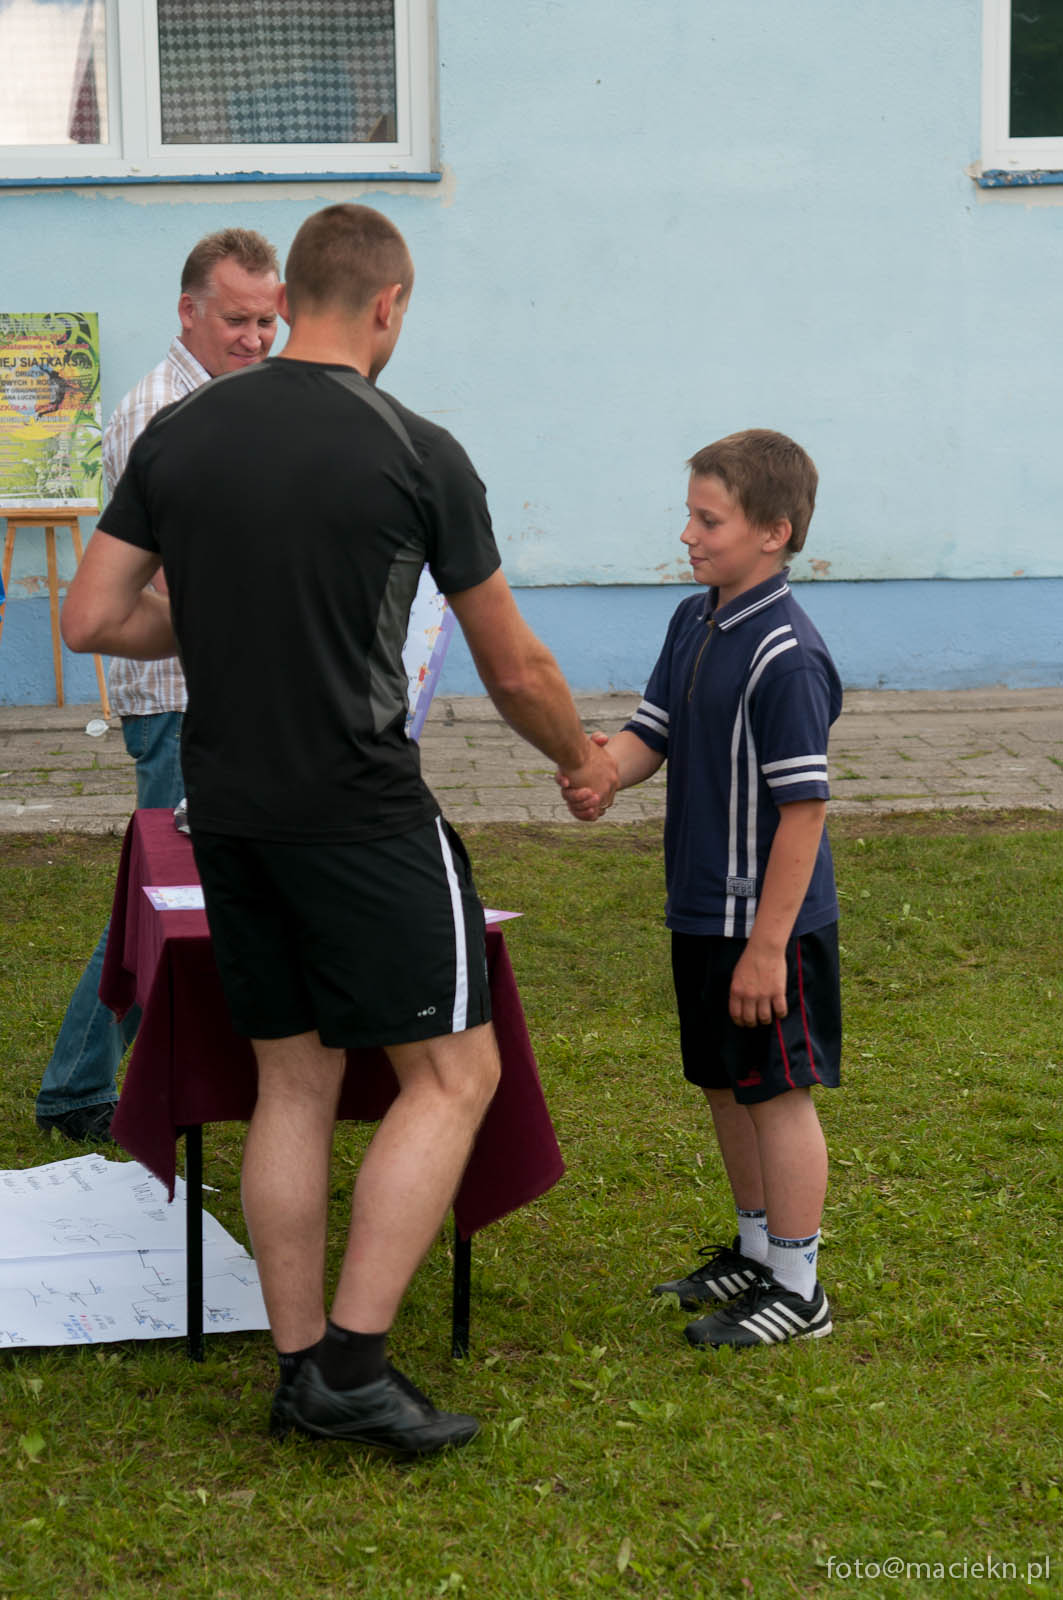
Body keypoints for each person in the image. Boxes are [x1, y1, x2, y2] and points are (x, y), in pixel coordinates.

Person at [60, 203, 617, 1455]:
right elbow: (514, 664)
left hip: (228, 811)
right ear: (384, 304)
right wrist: (581, 761)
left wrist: (217, 613)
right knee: (455, 1073)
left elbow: (90, 617)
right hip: (360, 810)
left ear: (291, 296)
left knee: (293, 1078)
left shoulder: (183, 432)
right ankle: (352, 1369)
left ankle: (299, 1362)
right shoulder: (416, 447)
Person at [561, 430, 842, 1349]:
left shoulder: (785, 655)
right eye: (689, 514)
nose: (687, 534)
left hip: (765, 926)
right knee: (725, 1084)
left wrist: (767, 947)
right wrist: (603, 772)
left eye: (707, 519)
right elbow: (652, 732)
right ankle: (757, 1253)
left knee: (776, 1093)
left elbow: (803, 814)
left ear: (773, 531)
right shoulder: (695, 619)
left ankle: (798, 1289)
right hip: (700, 908)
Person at [35, 228, 280, 1143]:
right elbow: (176, 570)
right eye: (236, 320)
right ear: (188, 311)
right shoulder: (160, 413)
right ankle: (82, 1090)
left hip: (211, 687)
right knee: (165, 900)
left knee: (179, 895)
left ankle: (137, 1079)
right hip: (180, 691)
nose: (255, 338)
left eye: (267, 321)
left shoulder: (226, 397)